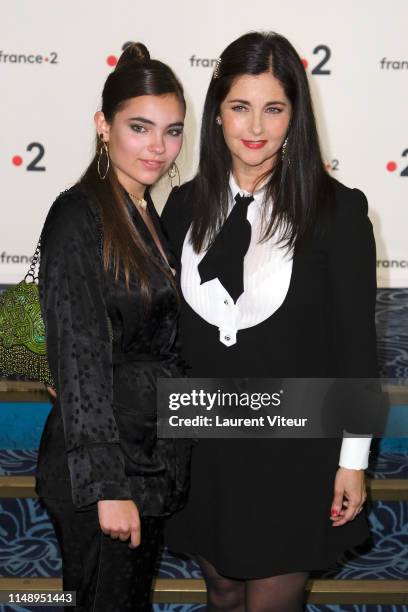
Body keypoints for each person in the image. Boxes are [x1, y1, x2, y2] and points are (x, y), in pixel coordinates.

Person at [161, 32, 377, 612]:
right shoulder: (181, 206)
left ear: (295, 117)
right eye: (240, 106)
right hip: (204, 445)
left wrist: (352, 463)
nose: (255, 126)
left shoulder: (339, 211)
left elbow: (358, 349)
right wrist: (33, 352)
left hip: (296, 449)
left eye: (274, 108)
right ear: (216, 115)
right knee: (222, 595)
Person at [36, 42, 191, 611]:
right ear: (104, 125)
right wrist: (108, 489)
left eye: (172, 130)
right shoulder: (80, 214)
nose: (158, 146)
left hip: (146, 457)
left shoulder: (146, 212)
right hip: (102, 471)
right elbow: (78, 357)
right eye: (140, 127)